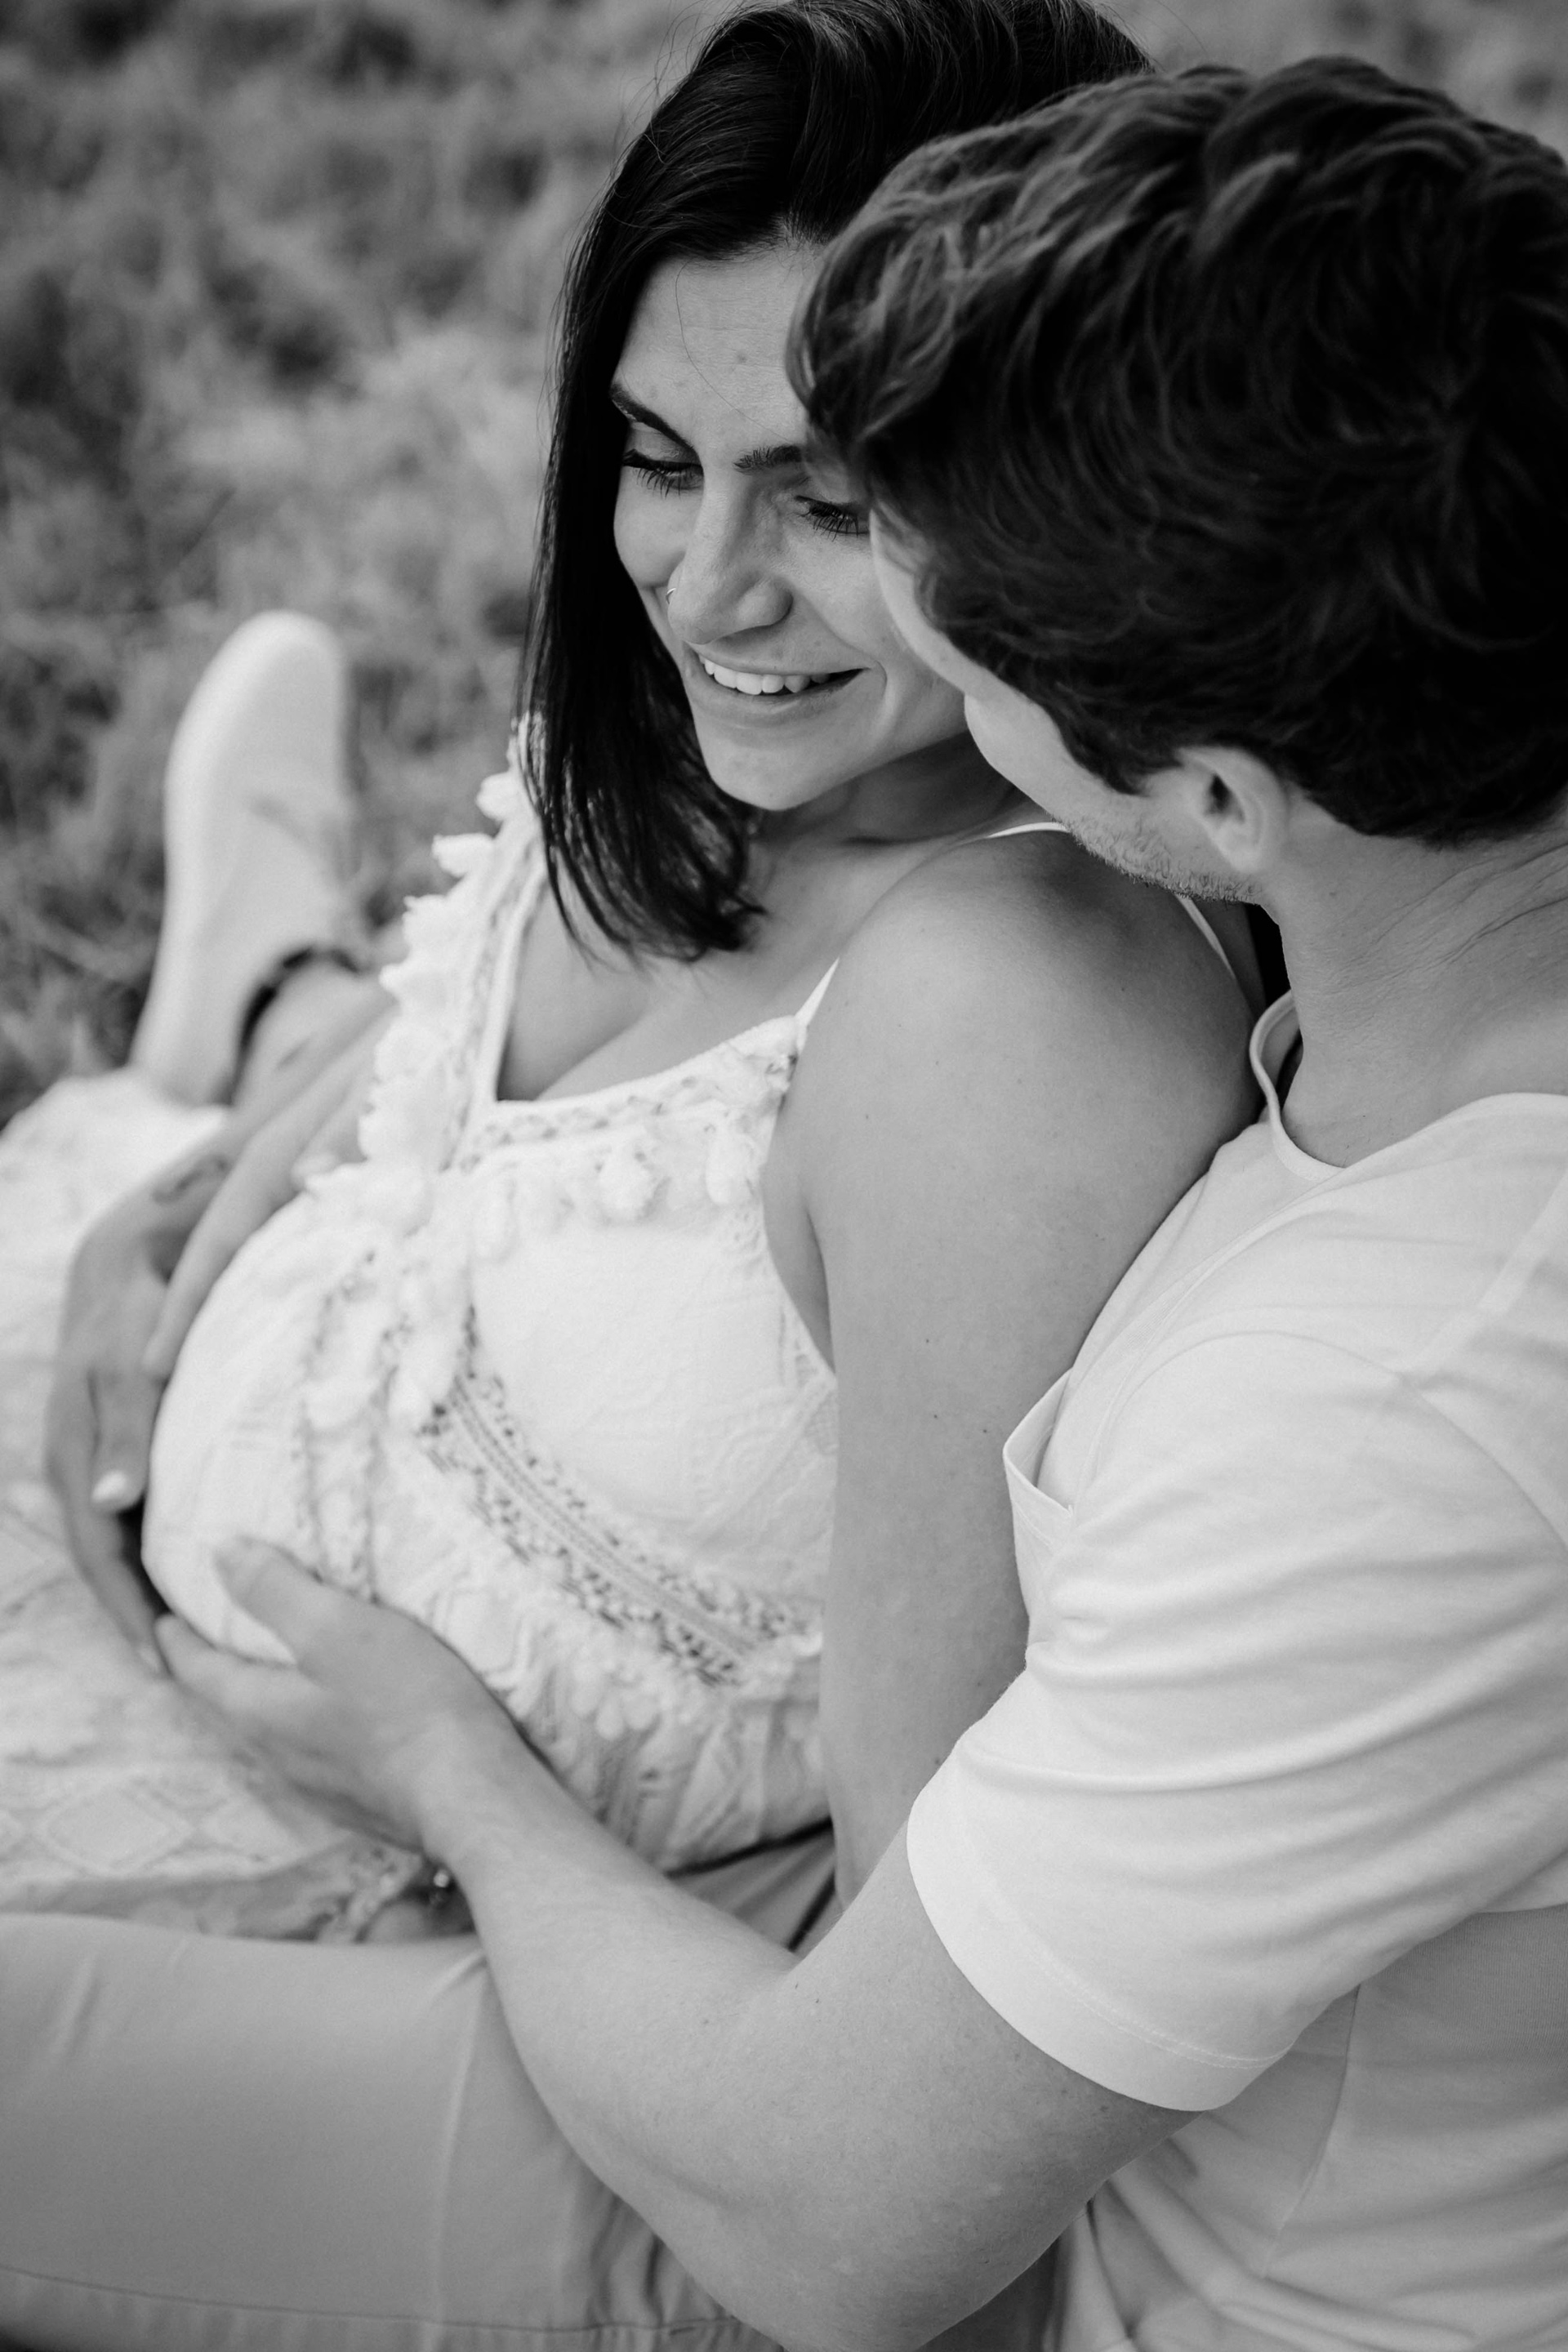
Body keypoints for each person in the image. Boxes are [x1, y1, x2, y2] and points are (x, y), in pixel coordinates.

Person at [7, 51, 1559, 2352]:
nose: (743, 590)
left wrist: (446, 1764)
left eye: (920, 560)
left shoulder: (1386, 1403)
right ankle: (261, 989)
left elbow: (842, 2200)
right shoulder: (1418, 993)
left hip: (895, 2197)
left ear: (1215, 798)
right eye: (663, 462)